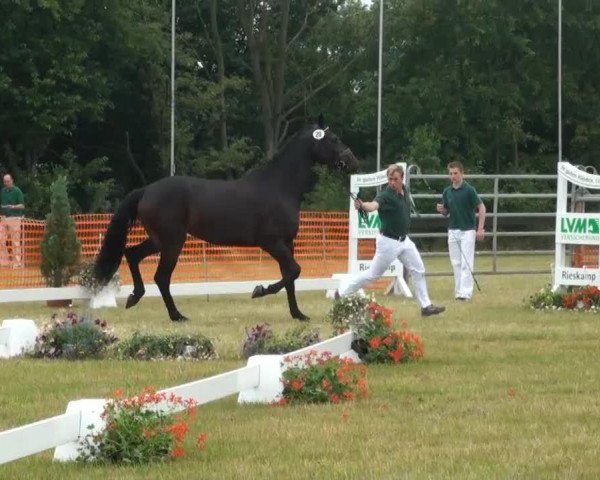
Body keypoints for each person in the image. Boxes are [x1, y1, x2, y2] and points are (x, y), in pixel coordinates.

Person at [337, 164, 445, 317]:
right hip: (388, 242)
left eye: (395, 179)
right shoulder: (386, 195)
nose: (392, 182)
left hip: (404, 241)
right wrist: (362, 205)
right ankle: (342, 291)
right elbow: (373, 205)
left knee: (418, 269)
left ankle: (426, 306)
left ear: (402, 179)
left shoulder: (405, 190)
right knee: (372, 275)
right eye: (390, 179)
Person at [436, 161, 486, 301]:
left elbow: (481, 207)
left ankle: (466, 293)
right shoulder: (447, 192)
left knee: (466, 262)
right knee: (455, 263)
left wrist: (480, 228)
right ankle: (458, 292)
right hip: (453, 230)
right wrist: (441, 210)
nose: (453, 176)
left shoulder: (469, 190)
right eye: (451, 173)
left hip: (467, 230)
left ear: (462, 173)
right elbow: (446, 211)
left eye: (456, 173)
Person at [0, 174, 25, 268]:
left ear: (12, 181)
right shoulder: (2, 191)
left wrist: (13, 207)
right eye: (4, 181)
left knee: (15, 241)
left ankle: (17, 262)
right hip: (4, 218)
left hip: (15, 218)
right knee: (1, 239)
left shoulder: (17, 191)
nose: (6, 183)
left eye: (8, 181)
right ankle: (4, 261)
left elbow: (22, 206)